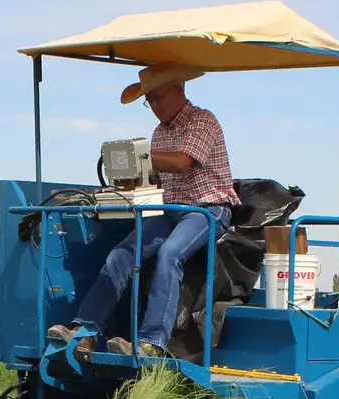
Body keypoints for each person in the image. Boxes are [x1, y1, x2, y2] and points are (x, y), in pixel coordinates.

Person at [50, 63, 237, 359]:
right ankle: (85, 331)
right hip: (170, 210)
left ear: (179, 90)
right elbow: (154, 179)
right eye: (149, 101)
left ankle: (151, 344)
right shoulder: (158, 134)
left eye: (159, 97)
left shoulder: (203, 121)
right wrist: (129, 182)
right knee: (121, 253)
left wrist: (139, 158)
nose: (155, 106)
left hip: (208, 210)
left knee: (169, 254)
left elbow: (182, 162)